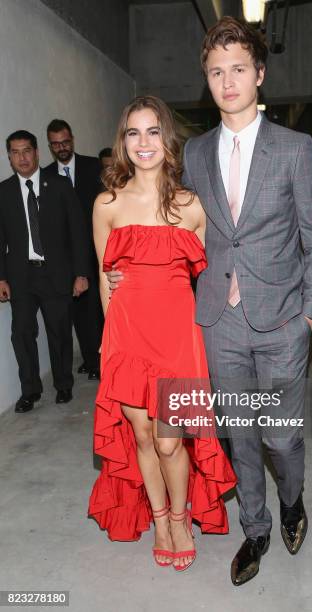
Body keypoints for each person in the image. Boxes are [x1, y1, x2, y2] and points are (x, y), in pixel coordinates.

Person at [107, 18, 312, 585]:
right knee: (238, 432)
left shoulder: (296, 148)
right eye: (216, 71)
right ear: (206, 80)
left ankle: (293, 500)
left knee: (280, 435)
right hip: (216, 320)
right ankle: (254, 527)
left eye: (238, 69)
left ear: (259, 74)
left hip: (283, 318)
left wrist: (310, 313)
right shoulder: (196, 153)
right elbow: (168, 219)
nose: (227, 81)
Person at [88, 96, 236, 571]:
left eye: (153, 132)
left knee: (172, 439)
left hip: (177, 337)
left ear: (167, 140)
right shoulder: (107, 204)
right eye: (134, 133)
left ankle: (180, 513)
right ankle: (161, 520)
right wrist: (108, 342)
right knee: (144, 437)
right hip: (128, 336)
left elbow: (220, 271)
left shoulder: (193, 206)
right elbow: (104, 279)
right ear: (123, 142)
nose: (143, 142)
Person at [0, 130, 90, 412]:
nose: (22, 157)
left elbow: (77, 232)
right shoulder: (3, 192)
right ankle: (30, 391)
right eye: (15, 153)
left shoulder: (60, 185)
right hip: (21, 277)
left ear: (37, 152)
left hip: (56, 274)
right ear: (9, 158)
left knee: (59, 331)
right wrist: (1, 277)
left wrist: (81, 273)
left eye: (26, 150)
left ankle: (63, 384)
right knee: (22, 334)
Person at [45, 119, 103, 379]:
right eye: (56, 144)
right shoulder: (45, 176)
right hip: (62, 259)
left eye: (65, 142)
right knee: (77, 313)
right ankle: (91, 359)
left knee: (94, 312)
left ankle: (98, 360)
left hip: (93, 252)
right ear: (50, 146)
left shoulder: (93, 167)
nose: (62, 147)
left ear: (73, 140)